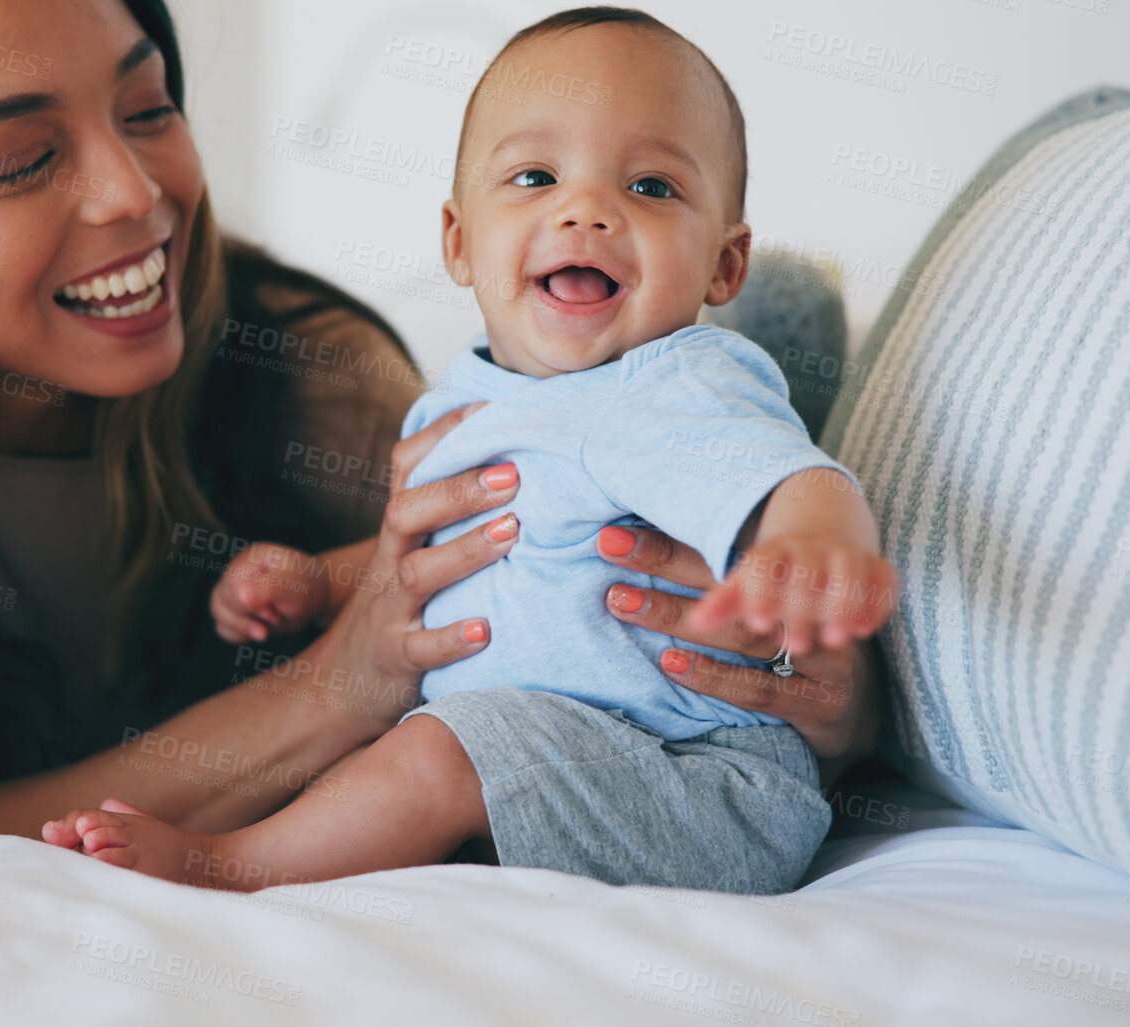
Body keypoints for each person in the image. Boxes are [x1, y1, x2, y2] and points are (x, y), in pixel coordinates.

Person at [0, 0, 882, 853]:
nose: (135, 199)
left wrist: (830, 704)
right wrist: (326, 679)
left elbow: (591, 637)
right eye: (19, 159)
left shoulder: (307, 375)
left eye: (146, 106)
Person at [44, 8, 896, 893]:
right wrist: (318, 581)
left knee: (438, 751)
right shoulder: (469, 399)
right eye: (534, 176)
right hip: (553, 754)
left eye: (650, 187)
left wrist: (815, 546)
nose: (585, 209)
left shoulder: (678, 379)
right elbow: (455, 555)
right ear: (458, 241)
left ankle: (227, 866)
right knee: (418, 747)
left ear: (724, 265)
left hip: (698, 777)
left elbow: (789, 477)